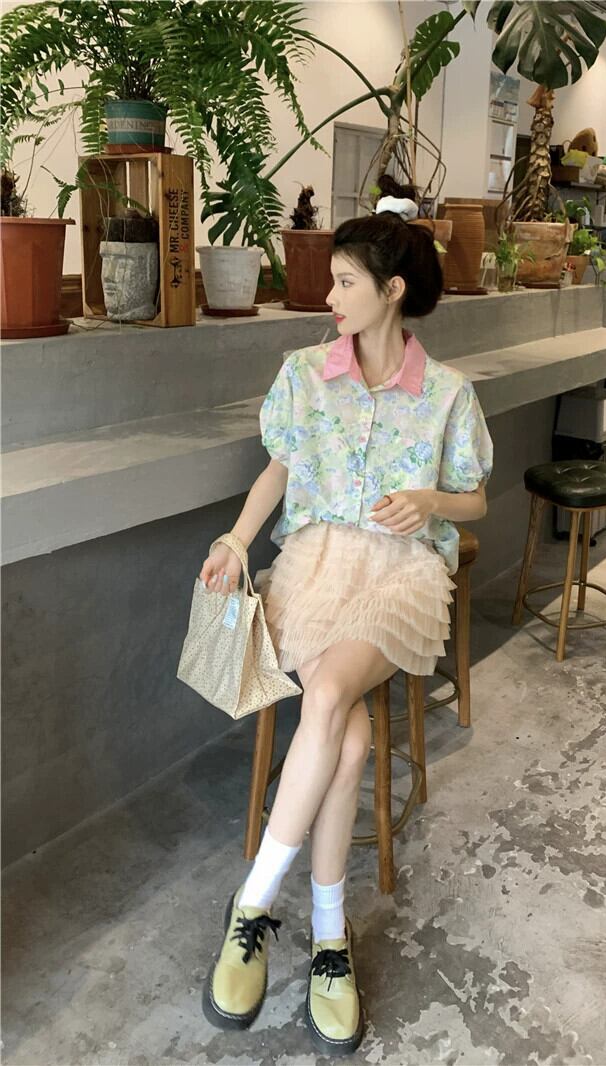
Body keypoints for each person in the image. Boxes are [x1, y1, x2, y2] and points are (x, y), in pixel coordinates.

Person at [197, 178, 493, 1052]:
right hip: (315, 564)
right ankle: (330, 934)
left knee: (327, 699)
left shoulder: (447, 393)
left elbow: (474, 500)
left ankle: (253, 906)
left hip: (401, 574)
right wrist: (237, 540)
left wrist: (430, 500)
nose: (328, 297)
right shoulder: (303, 375)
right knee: (349, 734)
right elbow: (281, 469)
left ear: (391, 290)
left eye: (344, 282)